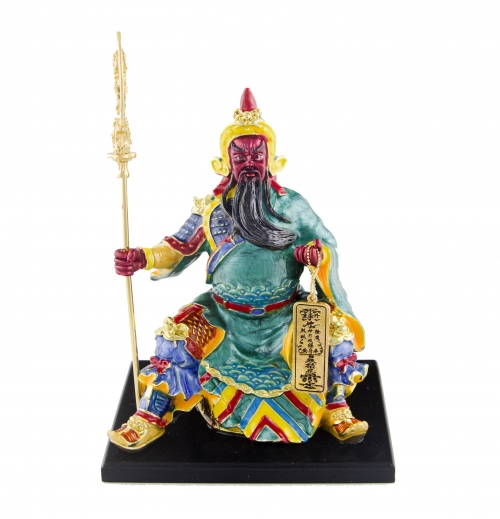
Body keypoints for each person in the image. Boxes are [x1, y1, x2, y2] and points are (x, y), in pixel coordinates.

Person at [108, 88, 368, 450]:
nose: (249, 161)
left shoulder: (293, 206)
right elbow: (178, 248)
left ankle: (334, 406)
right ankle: (152, 414)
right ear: (224, 162)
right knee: (175, 337)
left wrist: (316, 255)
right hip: (225, 316)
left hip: (284, 315)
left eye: (257, 154)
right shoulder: (210, 209)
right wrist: (143, 258)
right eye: (240, 154)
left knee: (332, 332)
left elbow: (327, 245)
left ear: (272, 159)